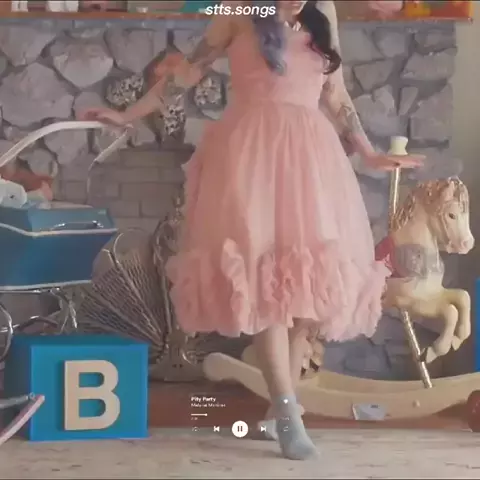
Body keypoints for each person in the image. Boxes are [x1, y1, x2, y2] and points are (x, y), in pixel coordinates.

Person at [79, 0, 423, 461]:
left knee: (309, 291)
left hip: (312, 158)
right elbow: (187, 72)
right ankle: (289, 413)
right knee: (265, 281)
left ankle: (279, 408)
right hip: (251, 154)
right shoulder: (240, 10)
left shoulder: (322, 10)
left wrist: (370, 153)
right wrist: (128, 115)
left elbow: (336, 95)